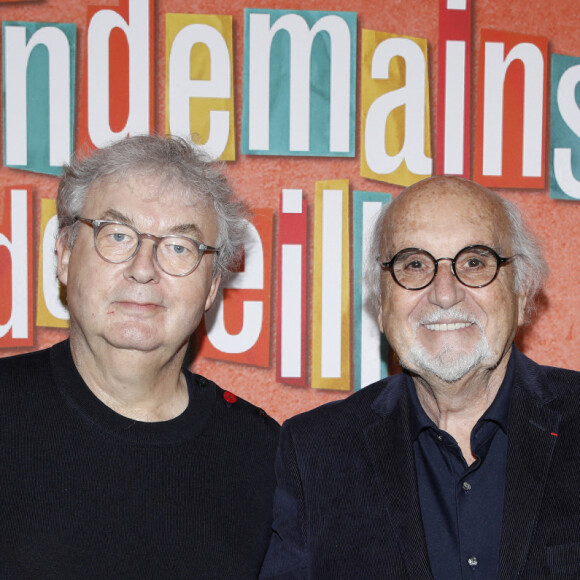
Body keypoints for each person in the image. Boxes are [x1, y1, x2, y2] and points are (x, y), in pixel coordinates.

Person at [260, 176, 580, 579]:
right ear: (381, 302)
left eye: (474, 262)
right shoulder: (316, 453)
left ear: (521, 292)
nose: (444, 293)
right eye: (414, 264)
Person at [0, 135, 279, 578]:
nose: (144, 267)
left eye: (179, 247)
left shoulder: (264, 456)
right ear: (65, 255)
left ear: (210, 288)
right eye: (117, 235)